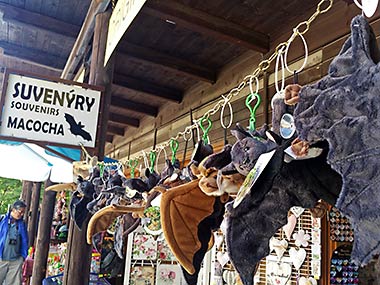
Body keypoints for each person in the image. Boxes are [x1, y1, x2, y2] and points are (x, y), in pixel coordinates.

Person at [0, 200, 28, 285]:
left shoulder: (21, 224)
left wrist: (23, 257)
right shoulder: (2, 220)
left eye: (23, 212)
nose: (22, 214)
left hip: (15, 260)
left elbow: (25, 240)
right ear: (13, 209)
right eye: (20, 211)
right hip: (1, 259)